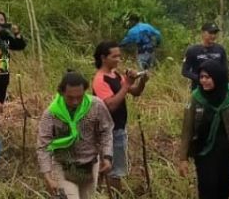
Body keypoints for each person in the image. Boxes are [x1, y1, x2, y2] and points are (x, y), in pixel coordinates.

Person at [178, 59, 229, 199]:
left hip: (226, 150)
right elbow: (187, 130)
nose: (203, 81)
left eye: (208, 77)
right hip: (204, 151)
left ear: (218, 77)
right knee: (208, 188)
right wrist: (183, 158)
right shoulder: (196, 98)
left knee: (226, 185)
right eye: (201, 77)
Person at [37, 71, 115, 199]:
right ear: (61, 93)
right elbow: (43, 146)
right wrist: (48, 176)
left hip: (90, 166)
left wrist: (107, 156)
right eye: (70, 97)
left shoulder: (96, 106)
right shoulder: (51, 113)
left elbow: (106, 131)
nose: (75, 102)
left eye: (79, 97)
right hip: (63, 167)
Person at [92, 40, 150, 194]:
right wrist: (126, 85)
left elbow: (135, 91)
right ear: (103, 58)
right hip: (109, 131)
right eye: (114, 56)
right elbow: (110, 105)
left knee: (108, 168)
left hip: (118, 127)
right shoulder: (100, 79)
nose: (118, 59)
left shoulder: (115, 74)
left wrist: (142, 80)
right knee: (114, 170)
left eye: (119, 56)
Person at [0, 9, 27, 103]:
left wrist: (17, 33)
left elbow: (19, 46)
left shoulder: (5, 36)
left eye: (1, 20)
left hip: (2, 72)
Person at [181, 22, 228, 90]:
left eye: (215, 33)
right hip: (198, 88)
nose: (213, 36)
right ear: (203, 33)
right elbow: (184, 71)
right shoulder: (192, 50)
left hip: (217, 89)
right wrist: (202, 79)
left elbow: (225, 70)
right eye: (210, 33)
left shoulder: (220, 49)